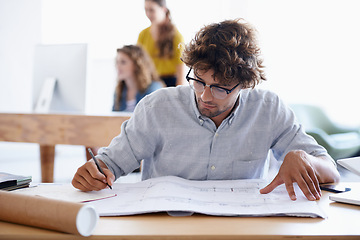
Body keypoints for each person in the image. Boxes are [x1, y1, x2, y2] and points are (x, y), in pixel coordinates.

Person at [72, 19, 340, 201]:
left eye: (221, 87)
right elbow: (110, 164)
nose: (205, 96)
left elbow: (331, 171)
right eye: (199, 81)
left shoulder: (269, 109)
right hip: (166, 228)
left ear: (245, 85)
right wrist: (93, 173)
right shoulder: (157, 107)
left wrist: (305, 160)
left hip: (239, 229)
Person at [137, 0, 185, 87]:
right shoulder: (143, 34)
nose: (148, 14)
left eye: (151, 10)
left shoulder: (176, 36)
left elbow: (180, 68)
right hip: (149, 82)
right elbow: (138, 62)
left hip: (170, 83)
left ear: (163, 9)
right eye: (146, 10)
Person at [112, 45, 163, 112]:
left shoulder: (153, 88)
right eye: (117, 62)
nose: (117, 67)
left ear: (137, 65)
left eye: (123, 62)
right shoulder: (119, 91)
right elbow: (113, 118)